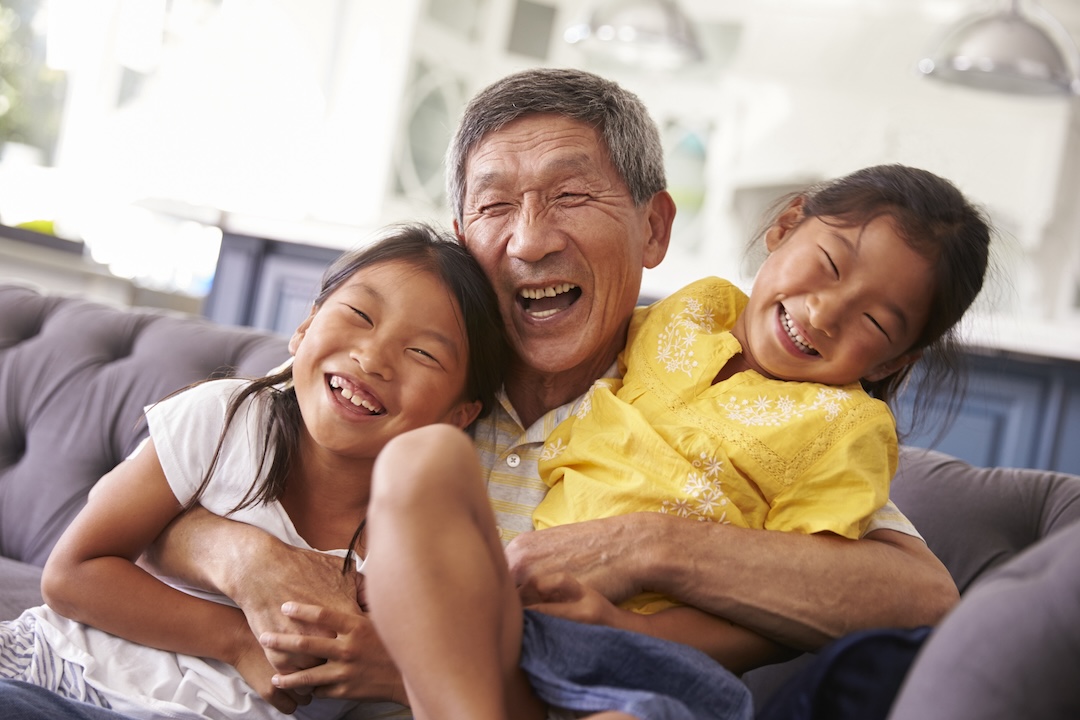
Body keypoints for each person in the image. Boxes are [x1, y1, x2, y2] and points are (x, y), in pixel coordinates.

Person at [0, 68, 963, 716]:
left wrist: (647, 545)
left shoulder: (703, 387)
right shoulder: (403, 370)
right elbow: (212, 463)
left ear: (655, 228)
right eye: (494, 205)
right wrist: (243, 557)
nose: (530, 238)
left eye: (571, 196)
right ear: (461, 232)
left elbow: (915, 592)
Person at [352, 163, 990, 719]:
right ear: (787, 225)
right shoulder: (692, 310)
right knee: (420, 458)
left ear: (889, 362)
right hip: (525, 617)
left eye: (875, 321)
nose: (824, 313)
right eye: (828, 266)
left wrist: (628, 625)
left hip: (641, 657)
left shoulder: (844, 431)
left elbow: (783, 614)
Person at [0, 223, 510, 720]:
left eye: (422, 352)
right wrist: (237, 640)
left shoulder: (425, 546)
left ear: (458, 415)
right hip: (62, 670)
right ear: (305, 327)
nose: (372, 358)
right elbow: (72, 573)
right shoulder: (225, 419)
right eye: (359, 314)